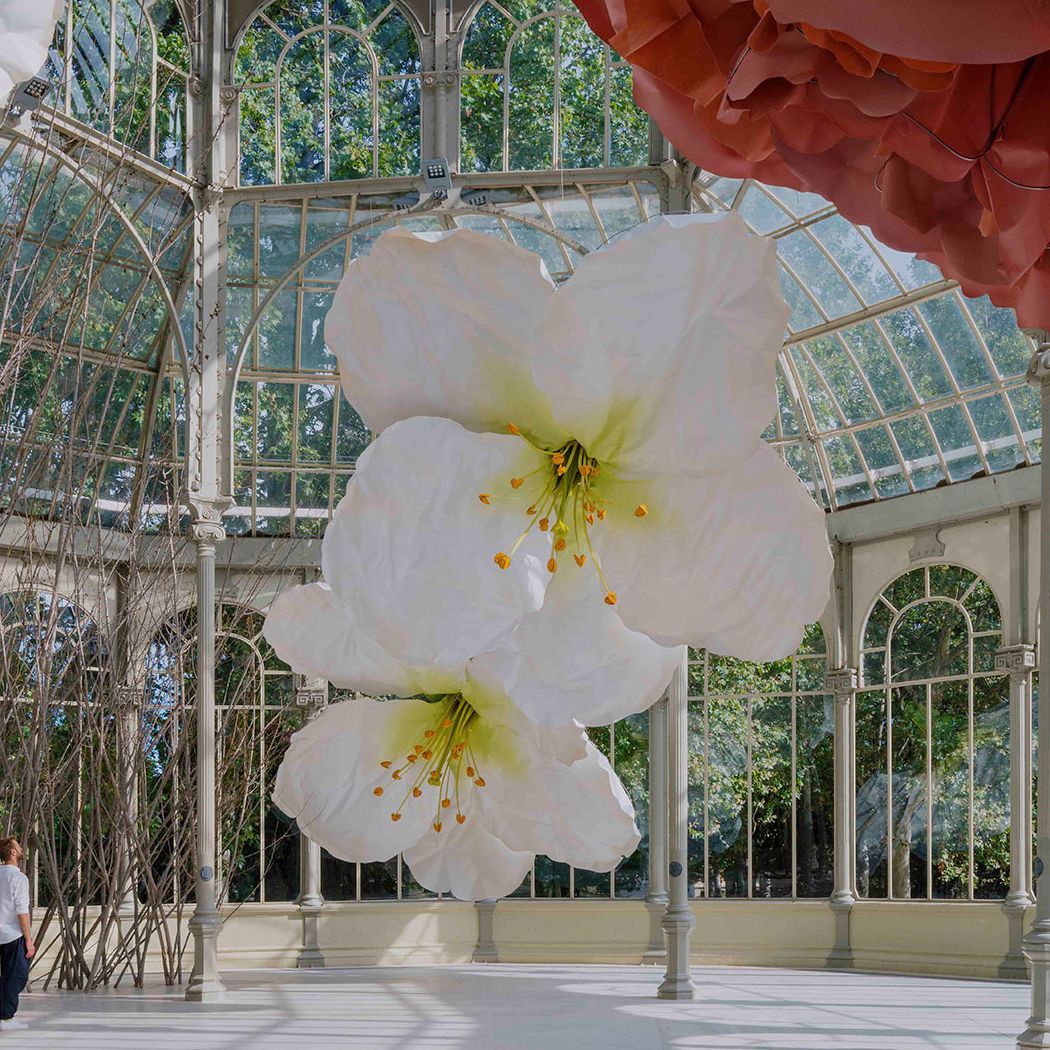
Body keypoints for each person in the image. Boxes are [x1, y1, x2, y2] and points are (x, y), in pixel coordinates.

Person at [0, 837, 34, 1032]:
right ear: (12, 852)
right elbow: (22, 911)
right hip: (12, 935)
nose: (21, 849)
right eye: (18, 847)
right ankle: (6, 1018)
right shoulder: (18, 878)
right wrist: (28, 940)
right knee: (16, 976)